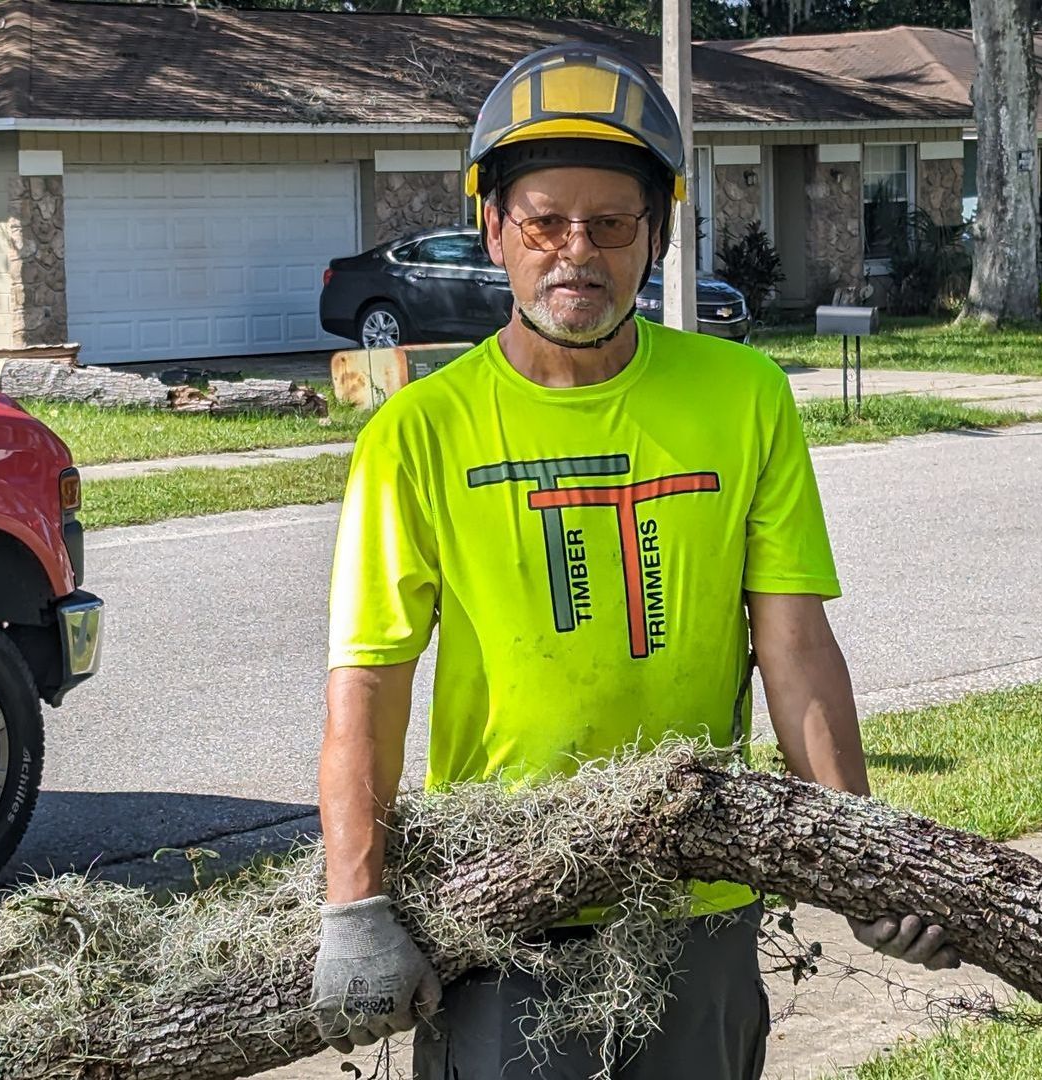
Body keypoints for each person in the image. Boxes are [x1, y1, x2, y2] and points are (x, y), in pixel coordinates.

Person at [311, 41, 958, 1080]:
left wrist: (862, 863)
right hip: (505, 908)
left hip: (698, 898)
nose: (578, 250)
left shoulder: (744, 398)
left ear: (655, 235)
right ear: (494, 229)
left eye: (611, 223)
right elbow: (368, 690)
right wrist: (356, 905)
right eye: (545, 221)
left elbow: (793, 651)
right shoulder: (418, 434)